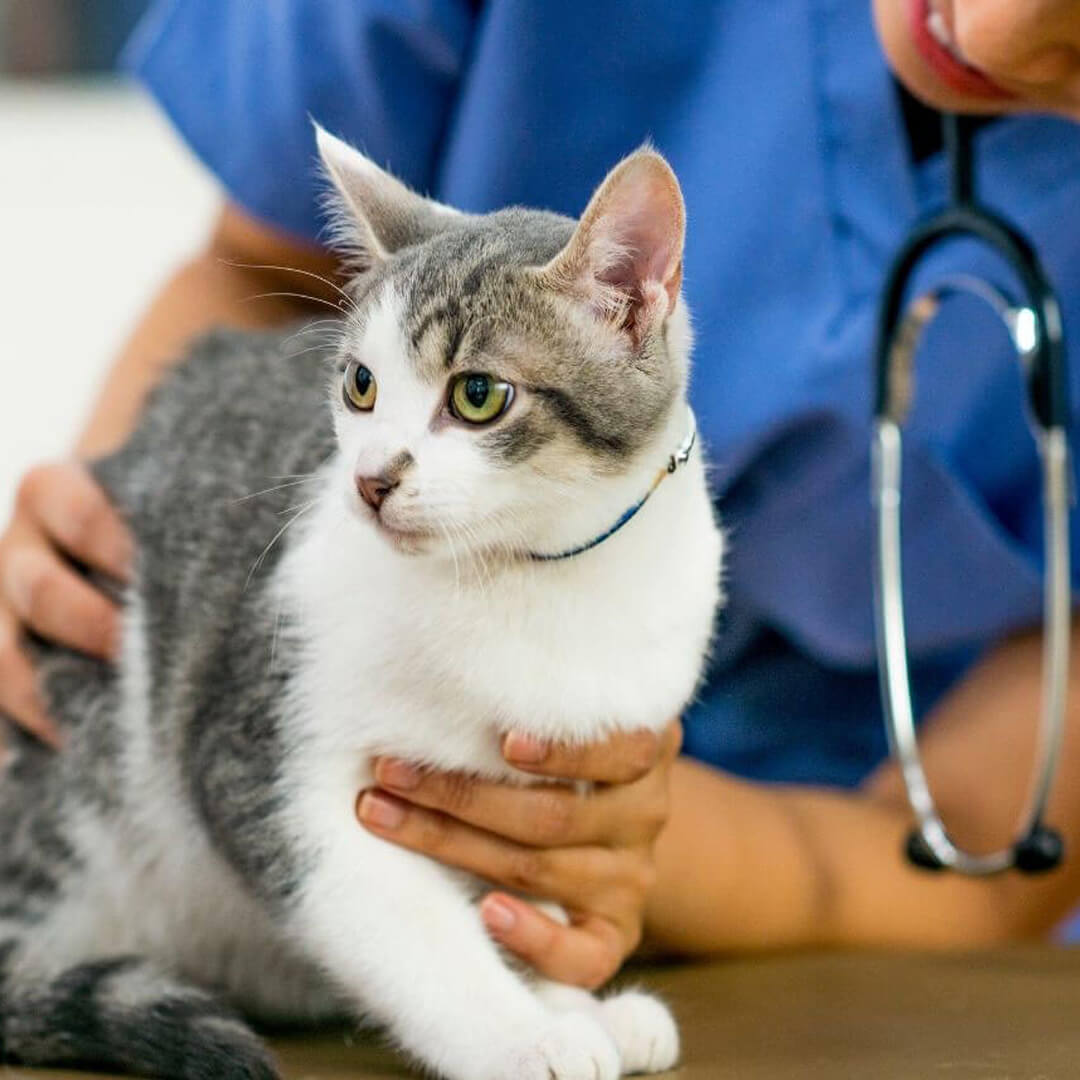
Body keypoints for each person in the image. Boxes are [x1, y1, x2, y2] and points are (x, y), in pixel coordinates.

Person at [3, 0, 1080, 990]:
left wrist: (620, 845)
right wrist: (92, 586)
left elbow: (994, 848)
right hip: (310, 768)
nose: (989, 34)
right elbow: (258, 272)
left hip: (804, 915)